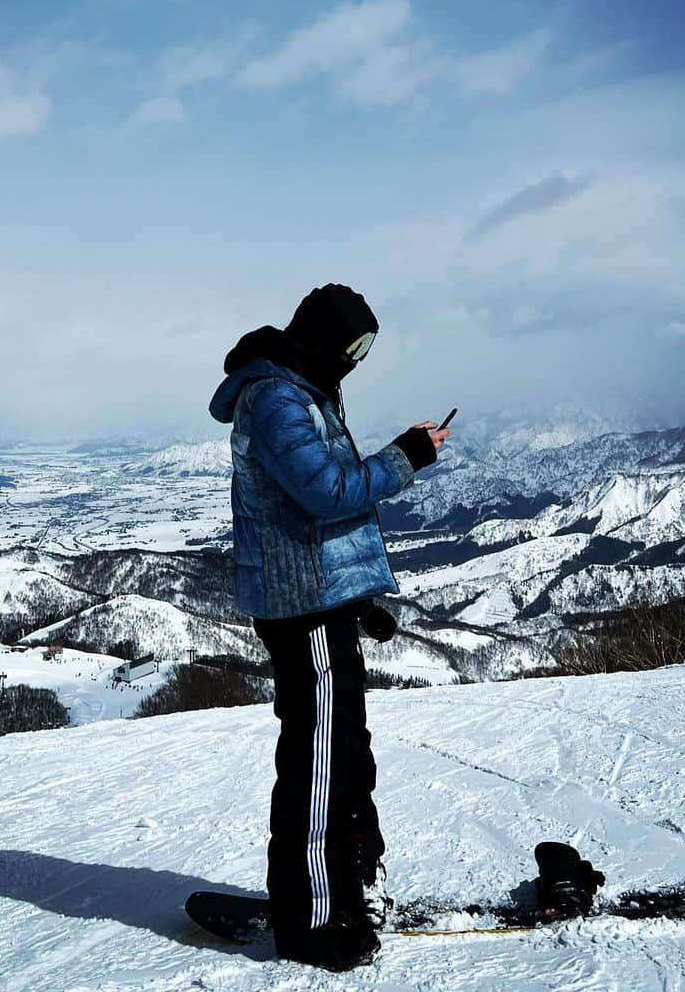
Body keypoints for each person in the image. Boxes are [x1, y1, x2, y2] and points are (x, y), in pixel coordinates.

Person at [208, 283, 450, 973]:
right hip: (302, 605)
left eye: (362, 353)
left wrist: (359, 594)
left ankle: (347, 882)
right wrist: (408, 456)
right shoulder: (279, 398)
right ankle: (310, 918)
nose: (354, 363)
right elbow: (326, 492)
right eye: (350, 349)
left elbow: (326, 507)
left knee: (346, 749)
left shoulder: (307, 386)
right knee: (317, 761)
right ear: (320, 339)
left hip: (325, 599)